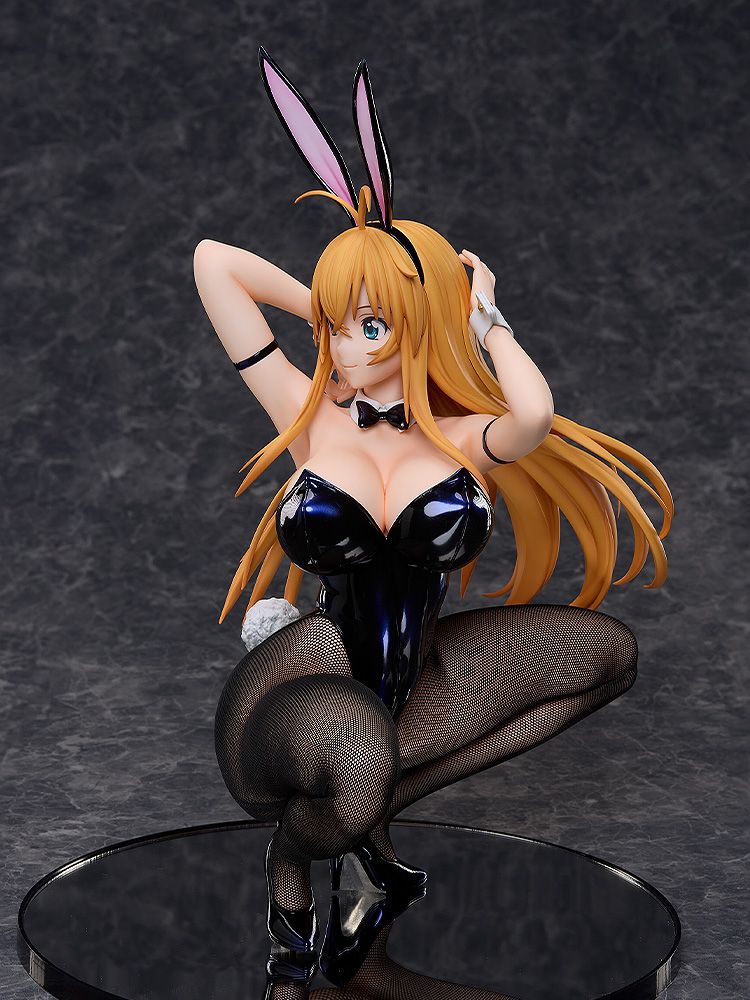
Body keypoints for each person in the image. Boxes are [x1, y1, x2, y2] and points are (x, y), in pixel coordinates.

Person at [192, 48, 673, 962]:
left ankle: (370, 820)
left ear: (415, 326)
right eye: (337, 329)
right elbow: (215, 264)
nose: (345, 348)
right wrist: (341, 300)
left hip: (416, 690)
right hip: (298, 693)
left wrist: (477, 317)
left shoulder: (461, 440)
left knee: (608, 657)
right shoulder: (306, 417)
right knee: (357, 742)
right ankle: (294, 856)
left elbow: (533, 414)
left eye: (372, 327)